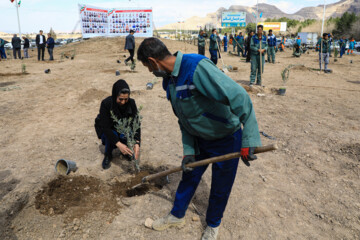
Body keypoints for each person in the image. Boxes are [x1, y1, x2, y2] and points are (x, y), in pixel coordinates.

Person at [137, 37, 261, 240]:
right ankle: (177, 215)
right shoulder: (169, 81)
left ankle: (213, 224)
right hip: (199, 139)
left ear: (152, 61)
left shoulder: (196, 67)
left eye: (147, 67)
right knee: (189, 175)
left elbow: (239, 96)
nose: (150, 72)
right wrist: (188, 151)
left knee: (221, 186)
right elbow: (184, 119)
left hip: (226, 139)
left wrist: (249, 139)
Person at [94, 79, 141, 169]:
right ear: (115, 95)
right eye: (120, 99)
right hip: (109, 131)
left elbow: (136, 124)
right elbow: (105, 127)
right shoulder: (106, 104)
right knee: (111, 134)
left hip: (122, 130)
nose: (123, 102)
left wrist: (137, 143)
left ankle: (126, 151)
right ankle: (108, 154)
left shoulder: (131, 103)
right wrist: (119, 144)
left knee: (128, 132)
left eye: (126, 99)